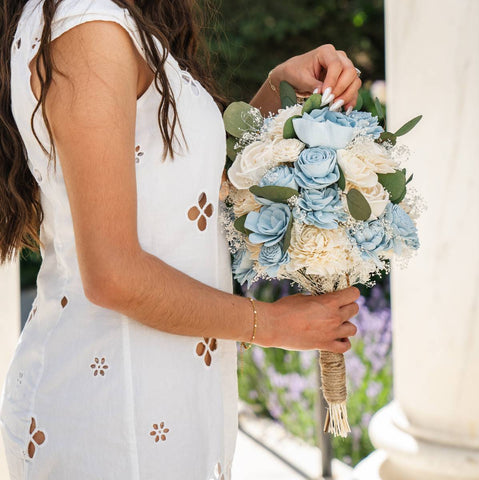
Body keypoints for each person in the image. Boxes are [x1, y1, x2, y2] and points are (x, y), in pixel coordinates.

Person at [0, 0, 361, 477]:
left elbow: (186, 190)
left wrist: (279, 88)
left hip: (165, 401)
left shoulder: (115, 23)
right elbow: (113, 273)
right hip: (114, 418)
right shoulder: (86, 27)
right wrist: (272, 325)